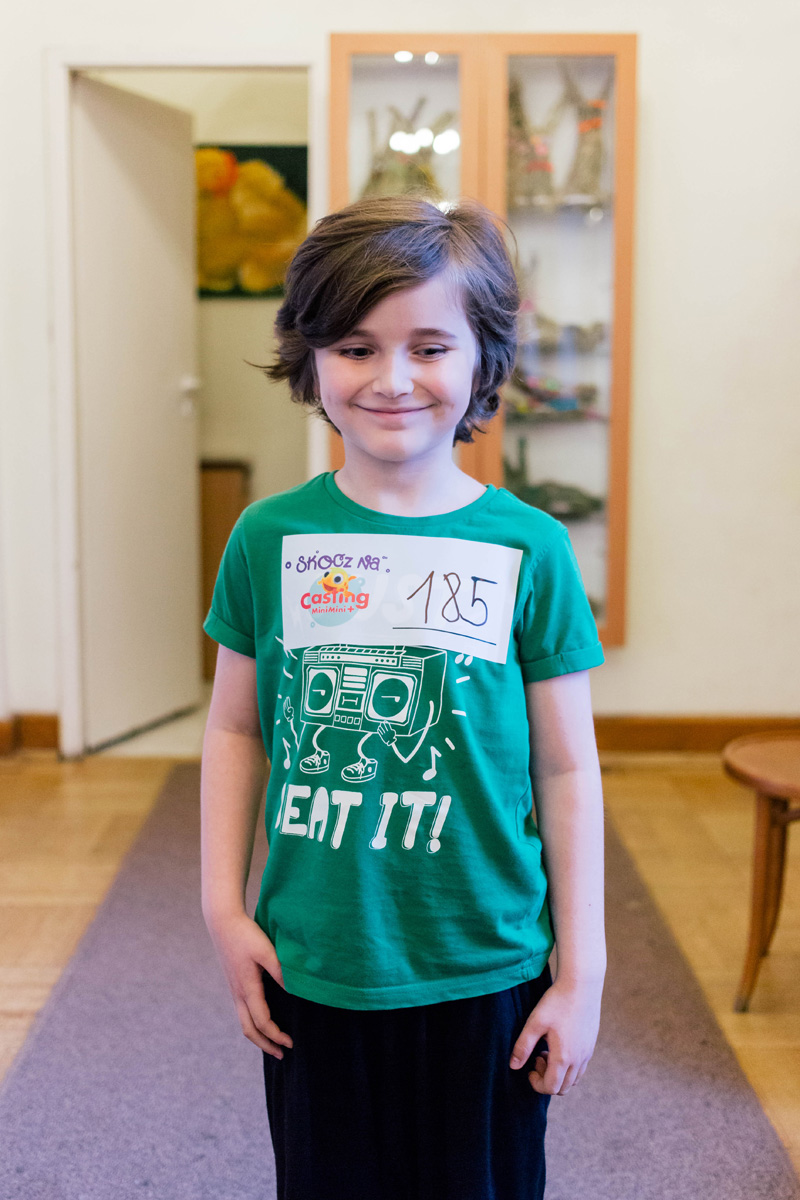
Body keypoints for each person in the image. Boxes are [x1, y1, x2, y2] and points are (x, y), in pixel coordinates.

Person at [200, 194, 607, 1200]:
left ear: (482, 359)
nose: (391, 379)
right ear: (310, 360)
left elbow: (565, 768)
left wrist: (582, 970)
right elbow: (236, 728)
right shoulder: (267, 538)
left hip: (488, 971)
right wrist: (222, 909)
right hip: (316, 967)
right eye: (355, 347)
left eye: (429, 347)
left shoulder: (530, 548)